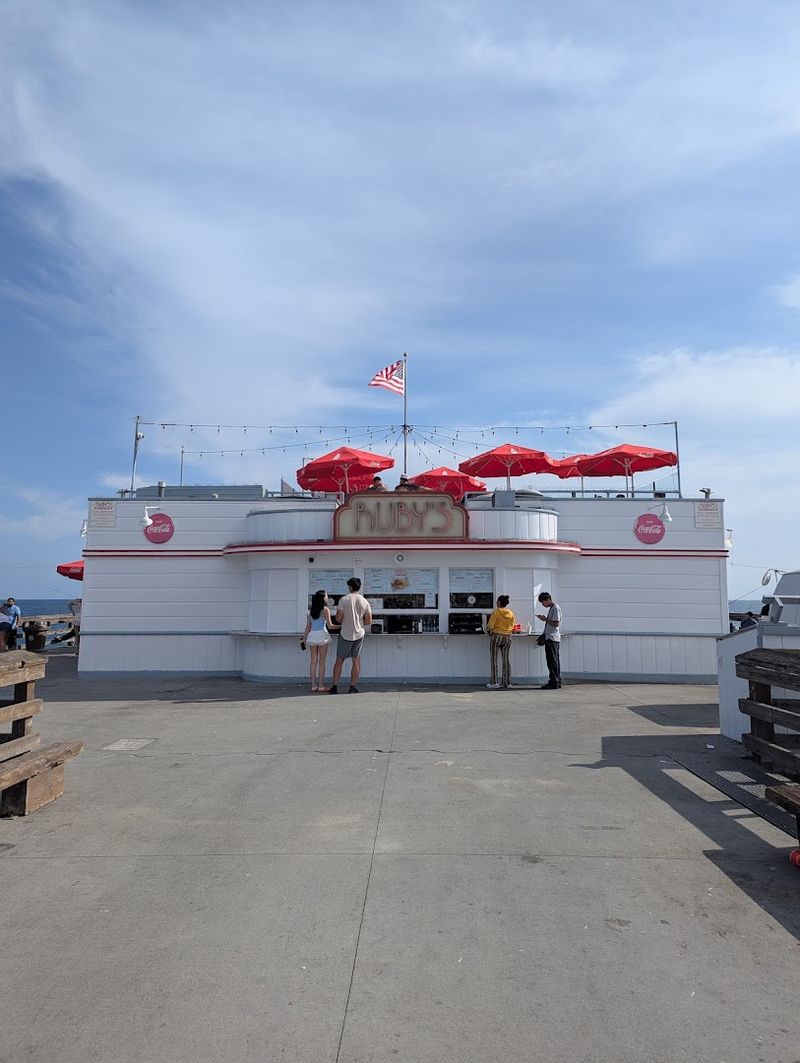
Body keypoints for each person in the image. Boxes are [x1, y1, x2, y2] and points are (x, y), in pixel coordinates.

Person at [329, 577, 372, 694]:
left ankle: (334, 686)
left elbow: (338, 618)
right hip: (359, 634)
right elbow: (368, 621)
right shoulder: (364, 601)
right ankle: (352, 687)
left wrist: (344, 620)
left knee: (339, 660)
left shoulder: (344, 599)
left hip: (345, 633)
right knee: (356, 661)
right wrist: (359, 621)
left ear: (350, 587)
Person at [301, 590, 339, 692]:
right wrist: (342, 625)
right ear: (323, 598)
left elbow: (308, 626)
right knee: (322, 661)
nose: (327, 597)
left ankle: (313, 685)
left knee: (313, 661)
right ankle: (321, 686)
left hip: (312, 636)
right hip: (322, 635)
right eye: (326, 596)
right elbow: (330, 626)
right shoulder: (326, 610)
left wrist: (304, 639)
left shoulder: (311, 610)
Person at [486, 594, 515, 690]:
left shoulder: (496, 612)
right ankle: (507, 682)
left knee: (494, 659)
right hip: (508, 637)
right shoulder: (511, 613)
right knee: (506, 659)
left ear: (498, 602)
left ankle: (494, 682)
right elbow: (513, 626)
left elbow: (490, 626)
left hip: (497, 636)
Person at [536, 591, 562, 689]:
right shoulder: (552, 608)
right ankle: (556, 681)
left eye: (543, 602)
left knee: (552, 661)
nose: (543, 605)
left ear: (547, 600)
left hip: (552, 638)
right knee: (554, 661)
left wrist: (545, 619)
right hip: (551, 637)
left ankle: (554, 682)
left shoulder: (555, 608)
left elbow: (556, 623)